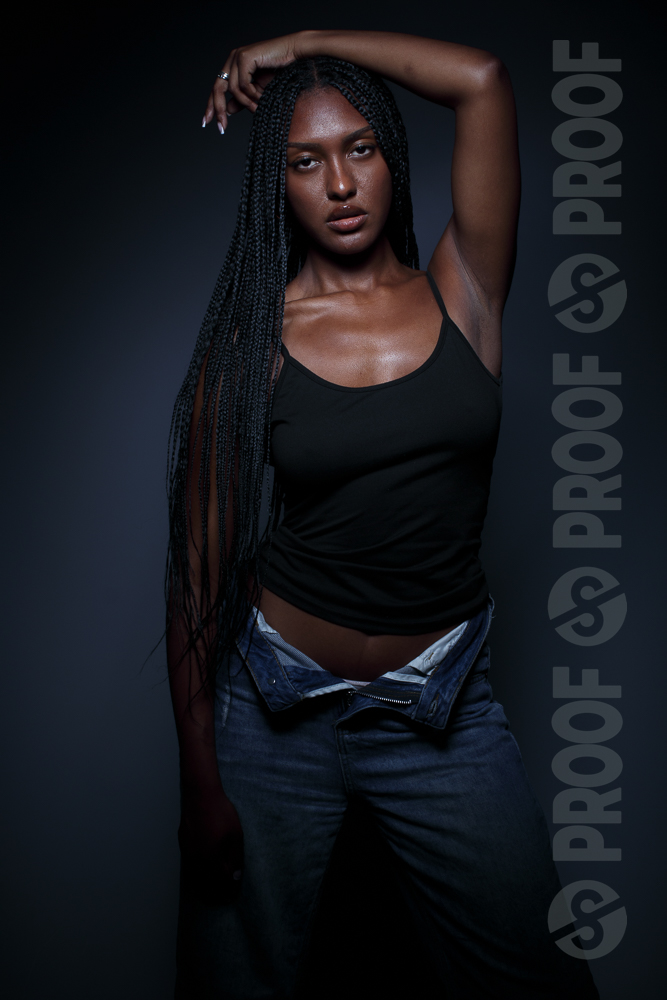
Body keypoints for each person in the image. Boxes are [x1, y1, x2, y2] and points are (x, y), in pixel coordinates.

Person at [166, 30, 599, 999]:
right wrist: (198, 779)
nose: (339, 184)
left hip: (441, 710)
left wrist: (302, 44)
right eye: (305, 161)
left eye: (359, 148)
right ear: (276, 184)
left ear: (390, 156)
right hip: (272, 717)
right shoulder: (252, 345)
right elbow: (194, 577)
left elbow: (482, 80)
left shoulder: (464, 288)